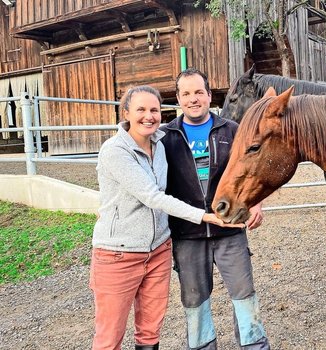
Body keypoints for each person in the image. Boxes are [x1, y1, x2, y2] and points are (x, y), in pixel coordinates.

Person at [90, 85, 242, 350]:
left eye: (154, 110)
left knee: (150, 330)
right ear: (126, 113)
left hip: (158, 250)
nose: (149, 116)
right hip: (120, 253)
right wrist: (204, 217)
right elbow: (152, 196)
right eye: (141, 110)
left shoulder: (159, 144)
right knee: (109, 335)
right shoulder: (115, 150)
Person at [160, 68, 270, 350]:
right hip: (187, 234)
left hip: (230, 228)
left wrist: (256, 202)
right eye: (186, 94)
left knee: (244, 294)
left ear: (209, 96)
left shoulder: (232, 130)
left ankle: (254, 346)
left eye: (199, 92)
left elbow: (253, 169)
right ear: (178, 99)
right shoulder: (166, 138)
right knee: (195, 300)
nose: (193, 99)